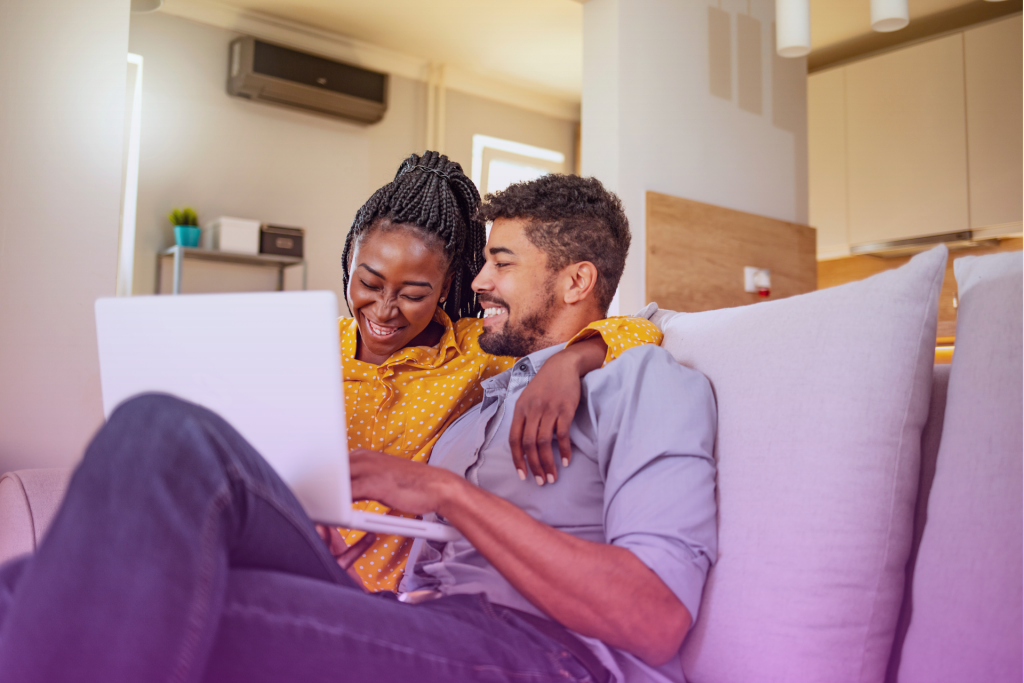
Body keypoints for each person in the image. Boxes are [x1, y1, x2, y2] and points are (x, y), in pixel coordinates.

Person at [0, 174, 716, 683]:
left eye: (500, 262)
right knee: (141, 445)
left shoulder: (644, 382)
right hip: (411, 611)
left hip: (553, 655)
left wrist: (444, 489)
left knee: (107, 592)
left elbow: (655, 619)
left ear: (574, 282)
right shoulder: (488, 398)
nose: (477, 282)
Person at [329, 151, 663, 591]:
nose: (385, 310)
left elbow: (644, 328)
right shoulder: (311, 344)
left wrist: (573, 359)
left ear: (445, 287)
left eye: (412, 294)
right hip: (297, 555)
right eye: (369, 284)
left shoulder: (478, 350)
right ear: (349, 261)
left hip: (383, 591)